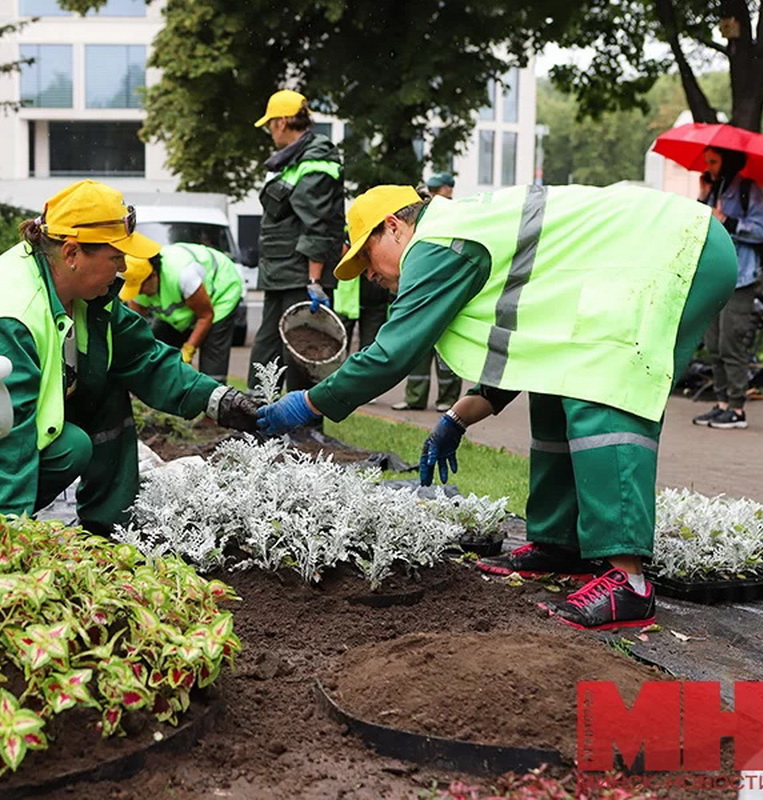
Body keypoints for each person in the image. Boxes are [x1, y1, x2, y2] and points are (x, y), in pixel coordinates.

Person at [257, 183, 736, 630]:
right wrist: (456, 417)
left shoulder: (437, 243)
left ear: (394, 226)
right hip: (654, 248)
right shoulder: (462, 234)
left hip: (678, 247)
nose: (371, 275)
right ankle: (559, 546)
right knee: (556, 380)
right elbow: (526, 349)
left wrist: (310, 403)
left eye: (367, 257)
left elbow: (392, 353)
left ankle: (628, 583)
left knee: (601, 386)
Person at [0, 180, 259, 535]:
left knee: (104, 389)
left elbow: (144, 357)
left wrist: (217, 399)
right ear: (72, 253)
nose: (123, 267)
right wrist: (2, 545)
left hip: (4, 434)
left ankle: (108, 529)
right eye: (116, 256)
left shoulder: (88, 296)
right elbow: (6, 437)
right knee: (62, 449)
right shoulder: (13, 316)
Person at [246, 89, 345, 393]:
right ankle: (258, 416)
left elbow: (316, 223)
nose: (269, 131)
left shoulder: (316, 159)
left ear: (283, 121)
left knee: (303, 348)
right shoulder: (290, 160)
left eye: (270, 124)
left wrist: (314, 281)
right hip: (281, 270)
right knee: (268, 344)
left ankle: (305, 425)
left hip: (300, 272)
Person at [690, 146, 763, 430]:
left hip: (741, 277)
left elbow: (762, 230)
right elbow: (697, 225)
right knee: (713, 344)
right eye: (706, 161)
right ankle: (722, 403)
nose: (708, 166)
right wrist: (703, 196)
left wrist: (728, 220)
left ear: (728, 161)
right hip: (715, 278)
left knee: (731, 344)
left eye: (713, 161)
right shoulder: (714, 190)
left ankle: (737, 409)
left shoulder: (748, 189)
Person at [120, 242, 244, 382]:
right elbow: (136, 328)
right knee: (157, 348)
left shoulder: (183, 275)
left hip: (221, 290)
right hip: (185, 303)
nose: (139, 293)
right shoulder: (138, 282)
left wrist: (188, 350)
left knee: (212, 355)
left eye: (141, 288)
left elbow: (206, 316)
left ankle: (215, 394)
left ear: (153, 275)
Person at [393, 172, 462, 412]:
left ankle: (449, 399)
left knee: (447, 353)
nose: (432, 195)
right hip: (423, 290)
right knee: (419, 348)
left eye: (436, 190)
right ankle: (415, 398)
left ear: (448, 190)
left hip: (446, 291)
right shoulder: (418, 220)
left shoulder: (454, 215)